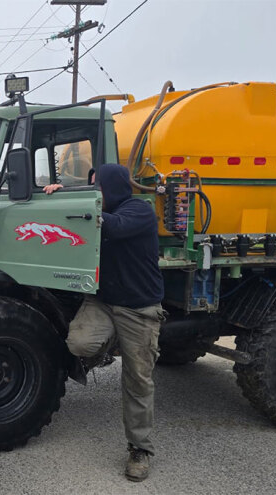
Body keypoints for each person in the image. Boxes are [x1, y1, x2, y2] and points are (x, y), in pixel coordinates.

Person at [44, 163, 165, 482]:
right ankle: (113, 343)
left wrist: (78, 204)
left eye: (99, 187)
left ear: (114, 186)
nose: (95, 192)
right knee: (79, 344)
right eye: (91, 187)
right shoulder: (102, 206)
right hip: (103, 301)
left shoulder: (138, 210)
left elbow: (112, 226)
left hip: (138, 309)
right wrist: (60, 196)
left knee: (138, 380)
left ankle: (140, 449)